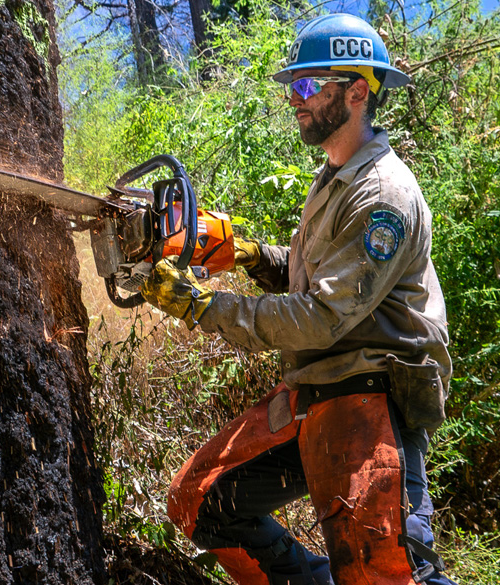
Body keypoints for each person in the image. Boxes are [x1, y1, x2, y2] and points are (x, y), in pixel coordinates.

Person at [141, 13, 456, 585]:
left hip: (371, 399)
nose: (295, 100)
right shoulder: (333, 178)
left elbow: (325, 316)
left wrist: (204, 306)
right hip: (314, 395)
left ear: (358, 92)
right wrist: (250, 255)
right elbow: (323, 285)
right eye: (293, 87)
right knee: (202, 501)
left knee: (393, 574)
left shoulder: (383, 195)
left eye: (308, 86)